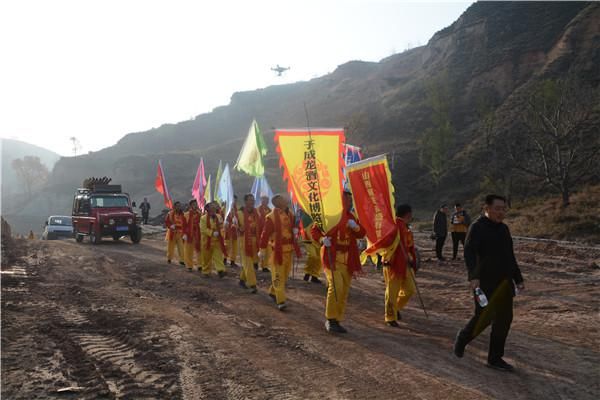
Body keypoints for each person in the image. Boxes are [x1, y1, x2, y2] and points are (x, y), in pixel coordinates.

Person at [453, 194, 525, 372]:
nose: (501, 212)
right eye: (497, 208)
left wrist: (518, 278)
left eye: (503, 209)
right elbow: (469, 253)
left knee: (504, 319)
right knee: (484, 317)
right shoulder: (477, 227)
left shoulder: (504, 229)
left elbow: (510, 256)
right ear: (486, 208)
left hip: (504, 282)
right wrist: (473, 276)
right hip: (484, 281)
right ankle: (463, 338)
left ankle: (495, 358)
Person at [312, 191, 366, 333]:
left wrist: (356, 227)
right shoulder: (329, 215)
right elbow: (315, 231)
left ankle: (338, 319)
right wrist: (322, 239)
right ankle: (330, 319)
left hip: (348, 259)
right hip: (332, 257)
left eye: (350, 200)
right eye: (347, 200)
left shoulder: (351, 217)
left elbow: (362, 233)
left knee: (344, 290)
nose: (350, 202)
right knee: (336, 287)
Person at [258, 194, 300, 311]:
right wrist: (261, 249)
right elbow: (265, 234)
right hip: (277, 251)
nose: (285, 200)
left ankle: (272, 291)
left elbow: (293, 229)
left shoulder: (291, 214)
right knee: (278, 275)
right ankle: (280, 300)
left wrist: (296, 231)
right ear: (277, 203)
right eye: (282, 199)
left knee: (284, 275)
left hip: (289, 249)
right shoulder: (271, 217)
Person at [383, 204, 417, 327]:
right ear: (408, 214)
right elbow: (386, 242)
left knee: (410, 289)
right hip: (393, 263)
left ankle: (396, 307)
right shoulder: (393, 225)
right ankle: (390, 317)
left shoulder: (405, 226)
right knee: (392, 291)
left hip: (405, 263)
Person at [238, 194, 260, 293]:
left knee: (249, 262)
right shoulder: (239, 213)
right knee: (248, 262)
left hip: (255, 239)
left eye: (253, 200)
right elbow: (234, 225)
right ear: (245, 201)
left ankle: (242, 280)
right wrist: (237, 227)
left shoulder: (256, 212)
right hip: (244, 240)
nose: (252, 202)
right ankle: (252, 284)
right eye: (250, 200)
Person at [200, 202, 227, 278]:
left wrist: (224, 226)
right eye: (211, 207)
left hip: (217, 241)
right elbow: (203, 229)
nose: (213, 209)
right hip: (207, 242)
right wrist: (212, 233)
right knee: (206, 258)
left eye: (214, 207)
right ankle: (206, 271)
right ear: (207, 209)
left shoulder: (219, 216)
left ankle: (221, 270)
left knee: (218, 256)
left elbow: (221, 226)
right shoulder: (203, 218)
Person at [165, 201, 186, 265]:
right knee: (170, 247)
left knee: (181, 247)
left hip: (180, 233)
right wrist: (170, 226)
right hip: (172, 233)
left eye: (179, 206)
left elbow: (185, 223)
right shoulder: (170, 213)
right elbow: (167, 221)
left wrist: (185, 232)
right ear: (174, 206)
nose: (178, 207)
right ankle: (169, 258)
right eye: (177, 206)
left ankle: (182, 260)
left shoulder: (183, 214)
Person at [183, 199, 202, 272]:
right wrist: (184, 234)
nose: (195, 205)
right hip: (189, 234)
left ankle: (200, 265)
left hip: (197, 234)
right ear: (190, 206)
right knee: (189, 250)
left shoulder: (199, 214)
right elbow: (184, 225)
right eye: (193, 204)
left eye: (196, 204)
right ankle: (189, 265)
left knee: (199, 250)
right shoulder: (186, 214)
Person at [257, 195, 272, 272]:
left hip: (268, 233)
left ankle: (264, 266)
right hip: (259, 232)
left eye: (266, 200)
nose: (265, 201)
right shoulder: (257, 210)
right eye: (263, 200)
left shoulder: (270, 210)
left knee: (268, 250)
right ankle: (256, 263)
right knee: (260, 249)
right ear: (261, 200)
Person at [225, 195, 240, 268]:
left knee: (235, 247)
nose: (235, 202)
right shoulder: (226, 209)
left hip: (235, 231)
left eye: (236, 200)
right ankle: (224, 259)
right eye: (233, 200)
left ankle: (232, 261)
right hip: (227, 232)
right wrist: (228, 222)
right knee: (227, 246)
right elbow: (223, 218)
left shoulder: (236, 210)